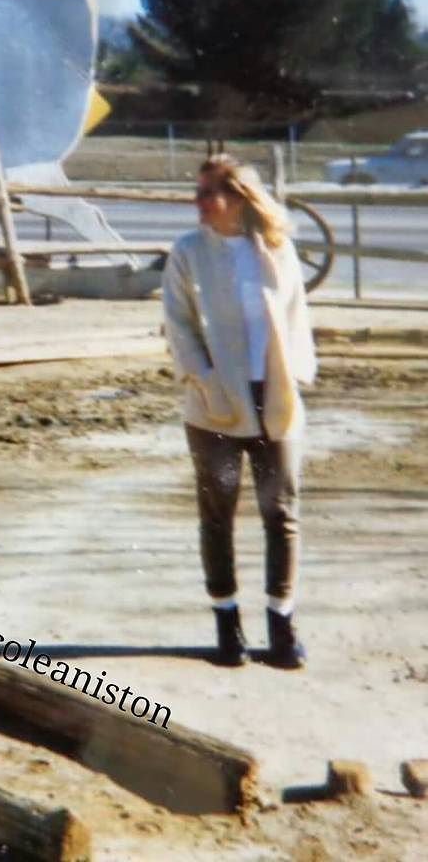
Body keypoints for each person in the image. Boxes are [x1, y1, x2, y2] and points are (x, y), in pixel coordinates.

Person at [161, 154, 316, 669]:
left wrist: (294, 376)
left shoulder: (274, 248)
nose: (199, 201)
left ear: (237, 198)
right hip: (215, 411)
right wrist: (204, 383)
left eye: (209, 193)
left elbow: (297, 319)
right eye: (198, 191)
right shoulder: (187, 253)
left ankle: (282, 623)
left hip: (274, 400)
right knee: (218, 513)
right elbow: (179, 328)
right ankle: (228, 625)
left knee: (282, 512)